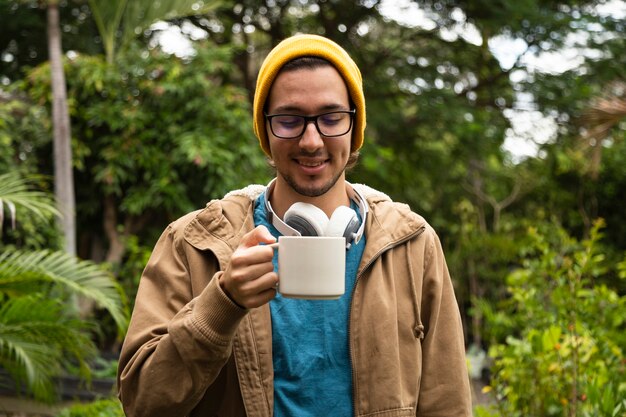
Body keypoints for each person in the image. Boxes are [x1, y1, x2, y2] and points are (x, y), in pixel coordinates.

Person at [117, 34, 472, 417]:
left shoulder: (412, 245)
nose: (311, 141)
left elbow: (446, 402)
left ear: (355, 128)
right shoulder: (193, 243)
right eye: (289, 120)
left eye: (332, 118)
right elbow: (141, 402)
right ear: (265, 132)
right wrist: (222, 303)